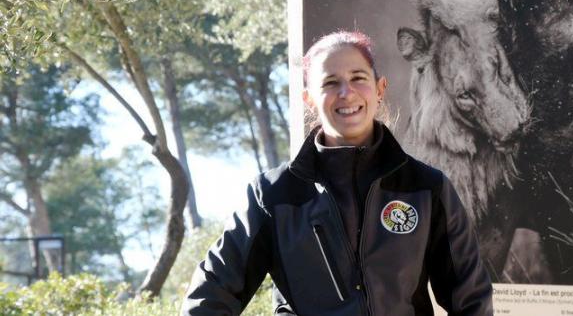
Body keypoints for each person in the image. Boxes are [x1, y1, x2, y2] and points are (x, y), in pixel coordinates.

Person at [182, 30, 493, 315]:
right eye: (330, 83)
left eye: (358, 78)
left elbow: (471, 301)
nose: (347, 92)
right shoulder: (272, 195)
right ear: (309, 99)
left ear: (379, 88)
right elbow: (210, 296)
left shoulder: (426, 188)